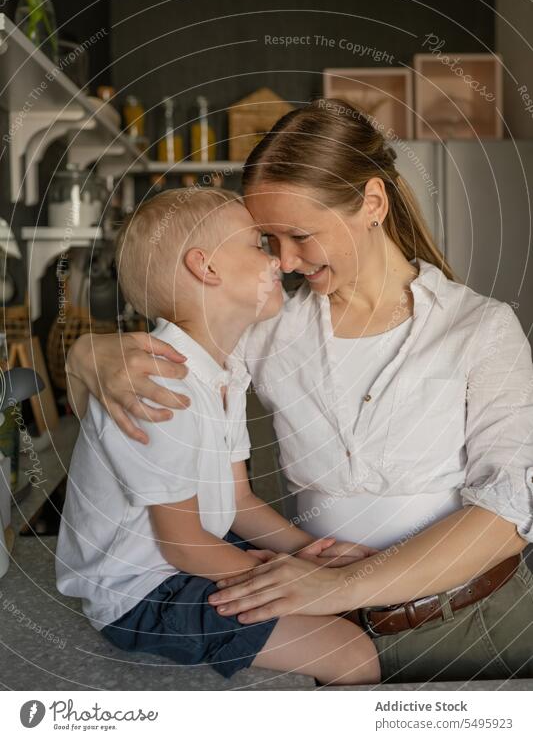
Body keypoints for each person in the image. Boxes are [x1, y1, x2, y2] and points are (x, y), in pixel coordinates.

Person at [66, 99, 533, 683]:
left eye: (300, 235)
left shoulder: (482, 329)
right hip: (333, 618)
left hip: (481, 615)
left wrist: (337, 585)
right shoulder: (270, 326)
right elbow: (175, 360)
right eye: (267, 240)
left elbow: (508, 511)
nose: (284, 262)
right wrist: (87, 354)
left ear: (372, 204)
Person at [56, 187, 381, 685]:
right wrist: (298, 584)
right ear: (206, 268)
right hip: (145, 594)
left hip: (185, 557)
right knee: (351, 654)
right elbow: (182, 545)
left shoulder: (222, 373)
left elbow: (238, 498)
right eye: (257, 244)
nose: (276, 259)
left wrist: (305, 551)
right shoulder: (160, 384)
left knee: (332, 612)